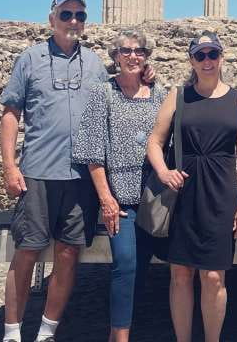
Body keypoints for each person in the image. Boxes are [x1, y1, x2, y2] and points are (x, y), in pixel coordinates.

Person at [0, 0, 108, 342]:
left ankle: (47, 331)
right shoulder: (29, 59)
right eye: (66, 14)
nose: (73, 21)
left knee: (68, 253)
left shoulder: (94, 63)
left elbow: (113, 105)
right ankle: (12, 333)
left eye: (79, 15)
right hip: (38, 173)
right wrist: (9, 166)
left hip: (81, 175)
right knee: (27, 250)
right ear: (52, 18)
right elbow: (11, 113)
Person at [145, 31, 237, 342]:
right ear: (192, 60)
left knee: (213, 276)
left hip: (221, 193)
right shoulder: (178, 96)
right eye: (200, 55)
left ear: (222, 57)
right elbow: (154, 141)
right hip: (183, 192)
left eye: (213, 54)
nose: (207, 61)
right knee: (180, 274)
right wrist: (164, 172)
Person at [74, 29, 166, 342]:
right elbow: (92, 152)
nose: (132, 56)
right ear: (115, 57)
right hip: (121, 198)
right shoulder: (104, 93)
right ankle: (120, 335)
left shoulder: (159, 94)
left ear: (147, 57)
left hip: (154, 197)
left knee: (142, 267)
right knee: (125, 264)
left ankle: (123, 326)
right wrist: (106, 199)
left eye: (139, 51)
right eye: (125, 51)